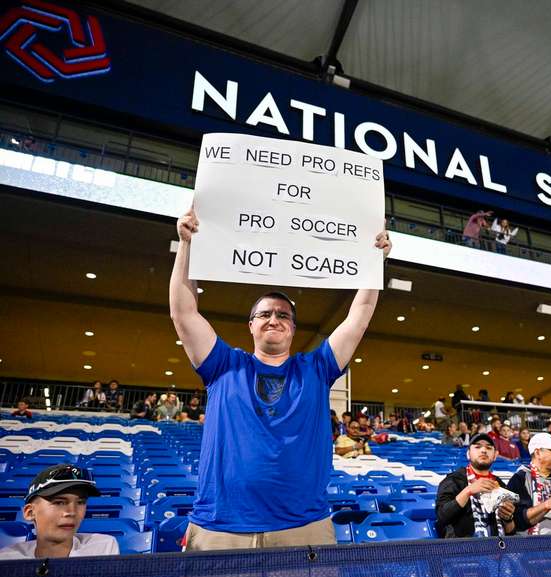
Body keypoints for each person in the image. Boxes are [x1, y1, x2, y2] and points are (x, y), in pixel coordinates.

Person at [169, 205, 391, 549]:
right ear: (252, 324)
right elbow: (184, 312)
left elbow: (359, 316)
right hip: (221, 526)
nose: (274, 319)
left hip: (304, 527)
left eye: (284, 315)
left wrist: (375, 260)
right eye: (265, 313)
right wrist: (186, 245)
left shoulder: (316, 369)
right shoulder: (223, 365)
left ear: (293, 327)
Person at [0, 465, 118, 559]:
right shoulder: (7, 559)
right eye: (59, 502)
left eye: (80, 502)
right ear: (30, 512)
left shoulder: (102, 548)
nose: (72, 512)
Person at [435, 433, 521, 538]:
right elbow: (442, 517)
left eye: (489, 448)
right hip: (463, 550)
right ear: (468, 454)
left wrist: (508, 518)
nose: (483, 450)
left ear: (495, 456)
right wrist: (468, 491)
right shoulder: (454, 480)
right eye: (477, 447)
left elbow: (511, 532)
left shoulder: (500, 485)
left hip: (498, 549)